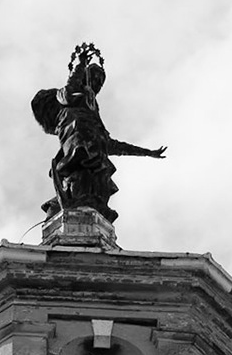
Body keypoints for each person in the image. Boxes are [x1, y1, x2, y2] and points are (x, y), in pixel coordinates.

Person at [30, 44, 166, 222]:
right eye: (94, 78)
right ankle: (62, 210)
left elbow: (109, 143)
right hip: (77, 153)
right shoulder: (68, 100)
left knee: (95, 193)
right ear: (86, 78)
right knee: (77, 185)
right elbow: (69, 92)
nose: (97, 85)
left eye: (100, 82)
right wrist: (80, 66)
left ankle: (69, 211)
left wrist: (148, 153)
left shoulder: (92, 112)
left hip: (95, 158)